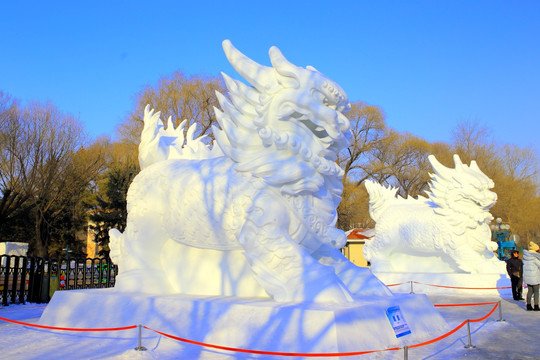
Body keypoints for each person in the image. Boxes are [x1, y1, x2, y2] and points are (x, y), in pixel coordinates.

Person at [523, 242, 540, 311]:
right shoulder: (535, 258)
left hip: (528, 277)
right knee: (536, 291)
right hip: (535, 278)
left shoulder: (526, 257)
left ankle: (528, 305)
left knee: (530, 291)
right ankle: (536, 305)